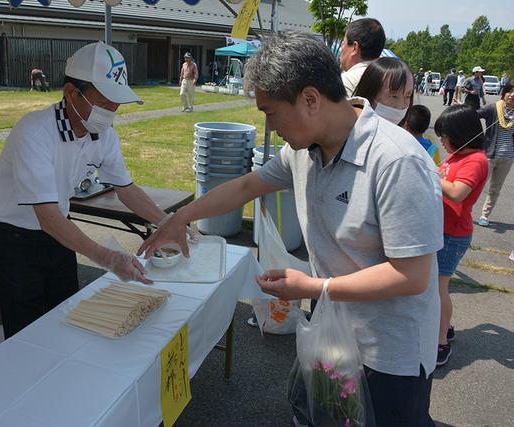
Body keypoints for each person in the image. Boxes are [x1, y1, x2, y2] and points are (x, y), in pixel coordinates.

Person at [140, 32, 442, 426]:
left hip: (387, 351)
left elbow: (412, 274)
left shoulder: (397, 160)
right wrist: (178, 218)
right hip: (332, 328)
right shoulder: (303, 150)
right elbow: (247, 185)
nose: (269, 124)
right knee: (320, 415)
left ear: (311, 100)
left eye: (270, 112)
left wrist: (314, 287)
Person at [0, 41, 170, 338]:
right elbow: (46, 216)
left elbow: (126, 188)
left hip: (60, 234)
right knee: (24, 330)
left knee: (67, 316)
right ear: (71, 92)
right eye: (105, 101)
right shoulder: (35, 132)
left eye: (117, 102)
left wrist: (167, 222)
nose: (112, 111)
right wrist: (108, 257)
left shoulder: (103, 133)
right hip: (15, 239)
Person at [434, 104, 488, 367]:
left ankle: (441, 343)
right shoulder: (455, 155)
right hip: (440, 230)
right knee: (435, 288)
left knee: (438, 288)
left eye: (444, 136)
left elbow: (456, 192)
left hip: (453, 234)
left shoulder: (476, 160)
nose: (442, 142)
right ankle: (446, 327)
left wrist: (429, 172)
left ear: (459, 133)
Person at [477, 82, 514, 226]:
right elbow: (473, 115)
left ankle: (485, 215)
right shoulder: (493, 107)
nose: (512, 94)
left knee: (495, 189)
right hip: (489, 156)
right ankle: (464, 210)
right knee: (476, 185)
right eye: (510, 91)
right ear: (504, 93)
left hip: (508, 158)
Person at [353, 57, 413, 126]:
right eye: (394, 96)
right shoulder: (345, 130)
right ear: (370, 92)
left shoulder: (404, 135)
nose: (401, 105)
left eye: (408, 96)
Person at [339, 17, 386, 97]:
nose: (341, 49)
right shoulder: (391, 79)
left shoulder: (345, 82)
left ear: (354, 48)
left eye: (343, 44)